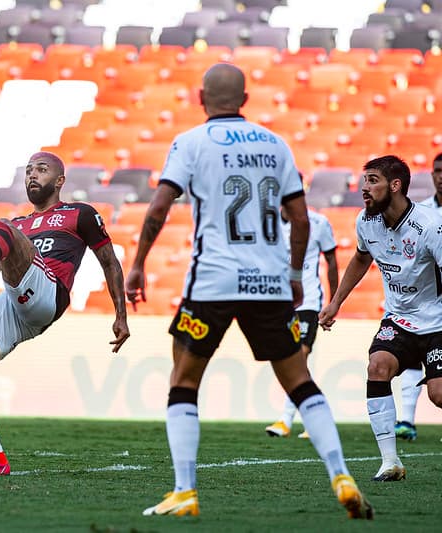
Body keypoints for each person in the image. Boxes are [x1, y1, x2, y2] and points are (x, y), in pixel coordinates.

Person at [124, 63, 371, 519]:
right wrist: (295, 276)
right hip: (270, 284)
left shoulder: (191, 143)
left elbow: (160, 206)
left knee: (183, 380)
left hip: (214, 281)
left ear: (201, 98)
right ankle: (341, 474)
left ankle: (185, 492)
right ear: (245, 98)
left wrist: (137, 264)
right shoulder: (275, 144)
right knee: (299, 381)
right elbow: (299, 220)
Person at [0, 151, 130, 476]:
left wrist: (121, 315)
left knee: (5, 229)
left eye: (41, 169)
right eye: (28, 171)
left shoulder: (79, 214)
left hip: (49, 292)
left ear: (60, 180)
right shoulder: (21, 224)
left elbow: (109, 261)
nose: (32, 176)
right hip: (16, 300)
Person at [319, 155, 442, 482]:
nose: (365, 188)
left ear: (396, 185)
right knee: (378, 366)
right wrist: (335, 303)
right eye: (365, 181)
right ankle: (390, 462)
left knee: (439, 395)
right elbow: (361, 258)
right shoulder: (366, 221)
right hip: (399, 318)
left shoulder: (430, 226)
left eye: (373, 180)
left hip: (437, 323)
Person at [266, 207, 338, 439]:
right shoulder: (267, 221)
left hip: (307, 301)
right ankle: (316, 414)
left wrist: (334, 301)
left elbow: (331, 260)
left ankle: (286, 419)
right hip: (279, 301)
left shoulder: (318, 222)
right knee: (290, 361)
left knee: (300, 355)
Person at [396, 152, 442, 441]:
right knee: (413, 357)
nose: (441, 176)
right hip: (423, 300)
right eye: (437, 170)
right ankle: (406, 421)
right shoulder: (420, 212)